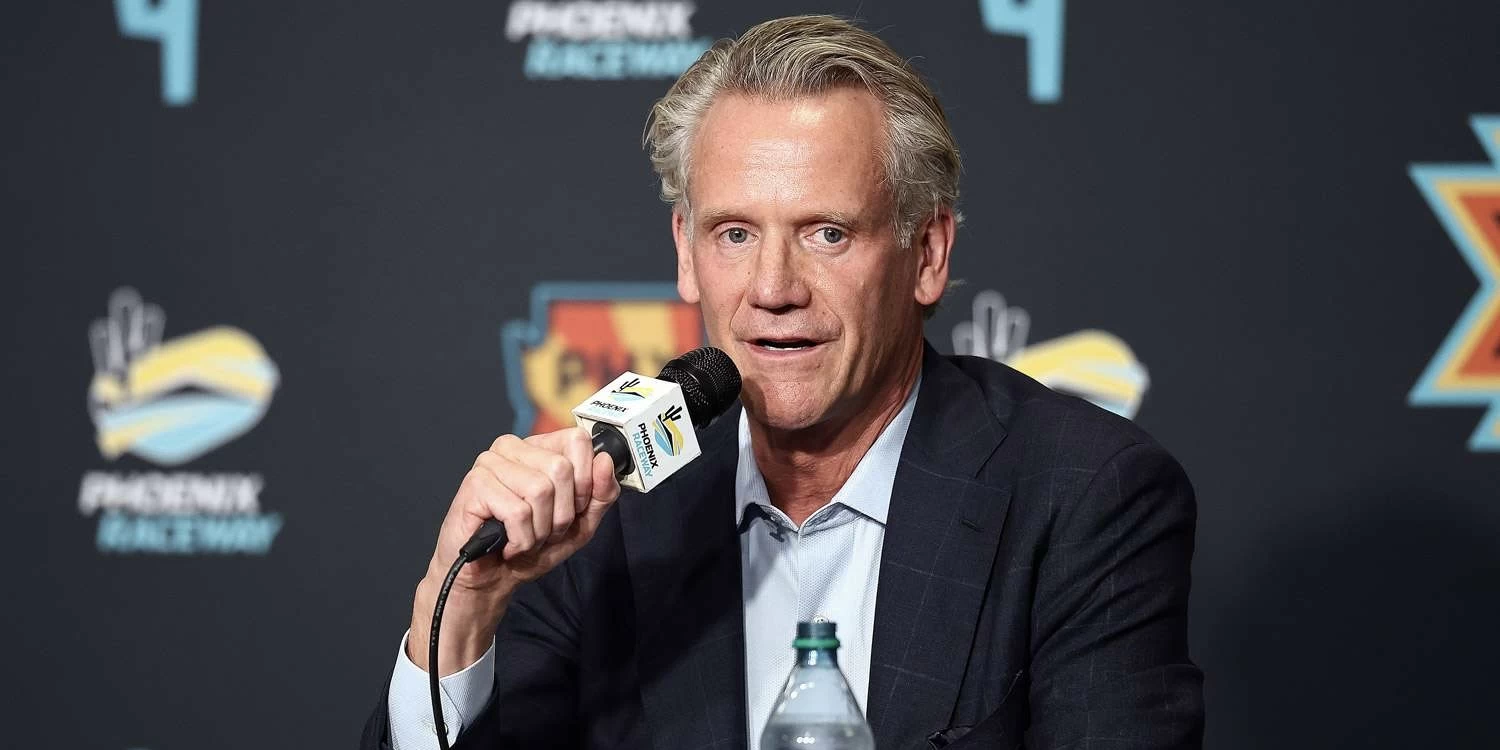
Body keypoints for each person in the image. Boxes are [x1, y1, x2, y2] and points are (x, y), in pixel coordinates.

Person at [362, 14, 1203, 750]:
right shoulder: (607, 510)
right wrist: (458, 611)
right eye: (735, 234)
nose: (773, 289)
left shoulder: (1082, 496)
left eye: (827, 233)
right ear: (685, 251)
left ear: (928, 253)